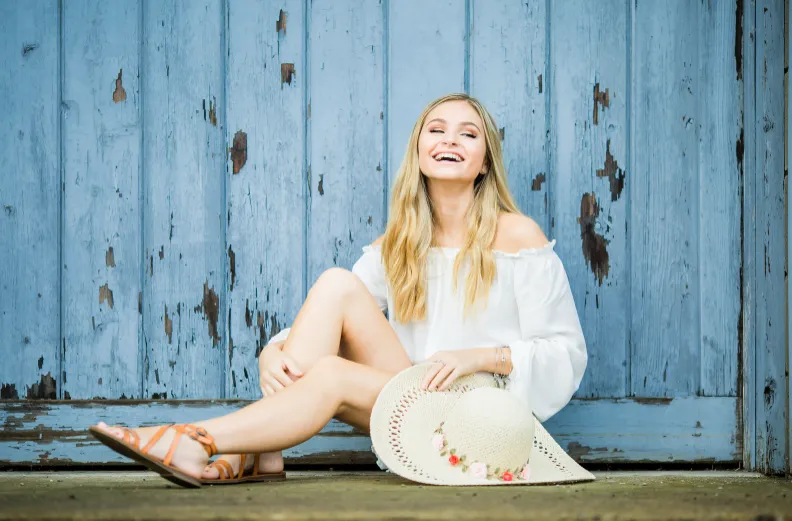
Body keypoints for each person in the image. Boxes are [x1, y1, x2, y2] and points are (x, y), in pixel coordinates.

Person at [90, 93, 587, 488]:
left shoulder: (517, 236)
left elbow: (565, 353)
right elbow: (328, 317)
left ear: (483, 163)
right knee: (336, 284)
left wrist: (478, 357)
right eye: (435, 130)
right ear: (418, 153)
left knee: (329, 375)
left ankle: (206, 441)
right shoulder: (399, 243)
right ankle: (249, 449)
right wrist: (274, 352)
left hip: (476, 416)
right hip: (415, 394)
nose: (448, 139)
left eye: (467, 133)